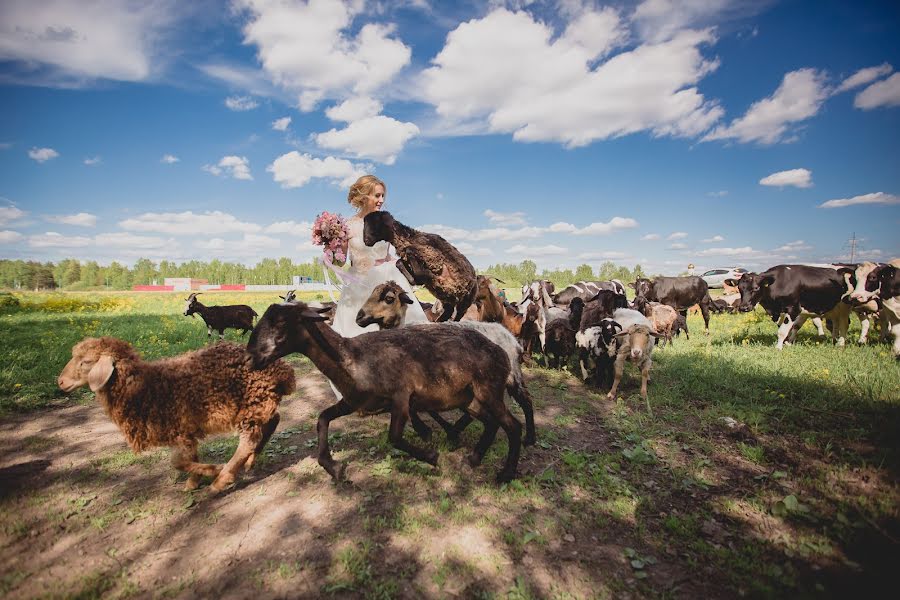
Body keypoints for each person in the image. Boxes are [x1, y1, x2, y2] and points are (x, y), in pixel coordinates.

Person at [329, 175, 430, 338]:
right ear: (364, 196)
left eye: (383, 196)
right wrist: (331, 247)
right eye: (377, 195)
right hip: (358, 284)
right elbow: (339, 262)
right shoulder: (347, 226)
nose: (381, 200)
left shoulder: (386, 222)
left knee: (405, 335)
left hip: (387, 282)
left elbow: (389, 253)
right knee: (354, 338)